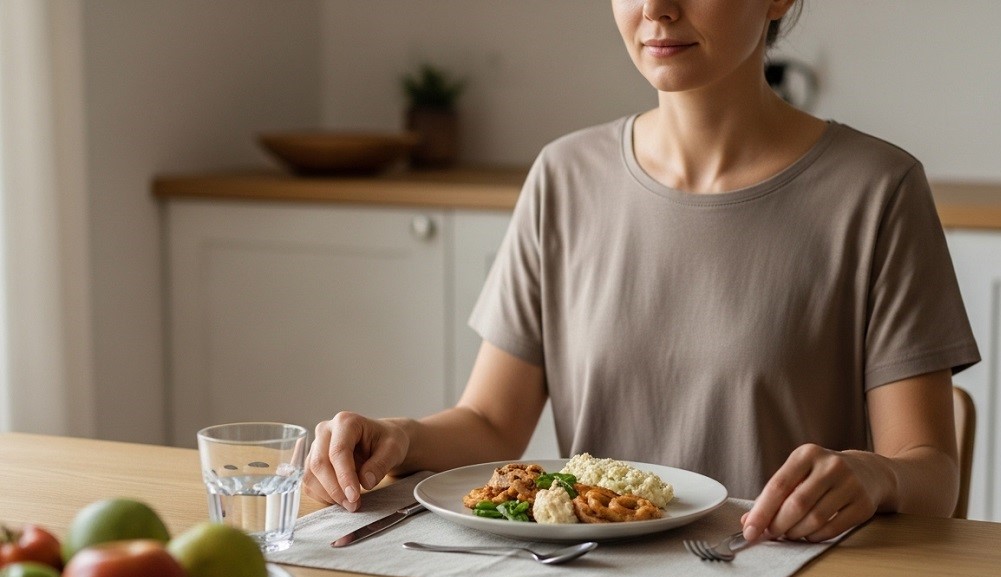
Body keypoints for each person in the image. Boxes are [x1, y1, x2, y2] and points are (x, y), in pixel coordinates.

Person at [304, 0, 981, 544]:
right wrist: (400, 436)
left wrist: (875, 478)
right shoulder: (563, 177)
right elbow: (489, 423)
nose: (656, 8)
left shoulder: (876, 190)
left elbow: (929, 474)